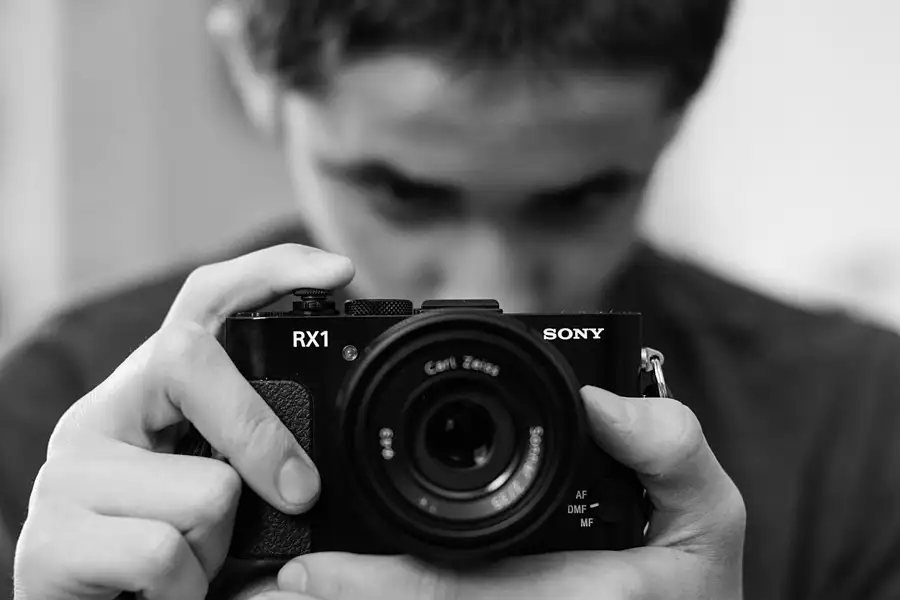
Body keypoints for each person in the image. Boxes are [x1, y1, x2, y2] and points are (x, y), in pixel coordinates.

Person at [1, 0, 898, 598]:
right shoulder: (74, 421)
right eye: (404, 193)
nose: (487, 292)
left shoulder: (859, 426)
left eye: (580, 198)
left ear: (678, 116)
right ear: (254, 75)